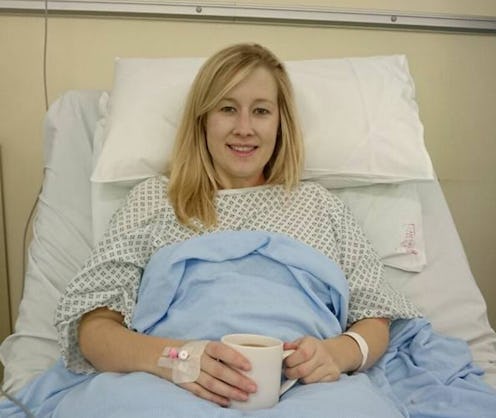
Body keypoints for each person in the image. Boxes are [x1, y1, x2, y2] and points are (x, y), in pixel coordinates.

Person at [55, 43, 420, 408]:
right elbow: (95, 332)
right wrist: (178, 360)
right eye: (227, 109)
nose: (244, 129)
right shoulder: (156, 200)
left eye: (261, 111)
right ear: (203, 119)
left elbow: (375, 317)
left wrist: (338, 354)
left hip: (308, 392)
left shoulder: (321, 206)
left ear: (280, 123)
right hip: (171, 389)